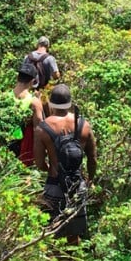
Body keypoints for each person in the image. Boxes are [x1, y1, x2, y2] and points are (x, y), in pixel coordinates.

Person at [33, 84, 96, 244]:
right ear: (70, 103)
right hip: (77, 183)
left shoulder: (43, 129)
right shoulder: (84, 125)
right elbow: (92, 158)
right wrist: (90, 180)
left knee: (51, 232)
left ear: (51, 104)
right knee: (74, 233)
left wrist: (51, 169)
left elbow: (39, 163)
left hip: (54, 184)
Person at [8, 62, 45, 165]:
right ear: (33, 81)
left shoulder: (4, 97)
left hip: (5, 142)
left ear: (17, 77)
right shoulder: (34, 102)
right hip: (24, 146)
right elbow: (39, 129)